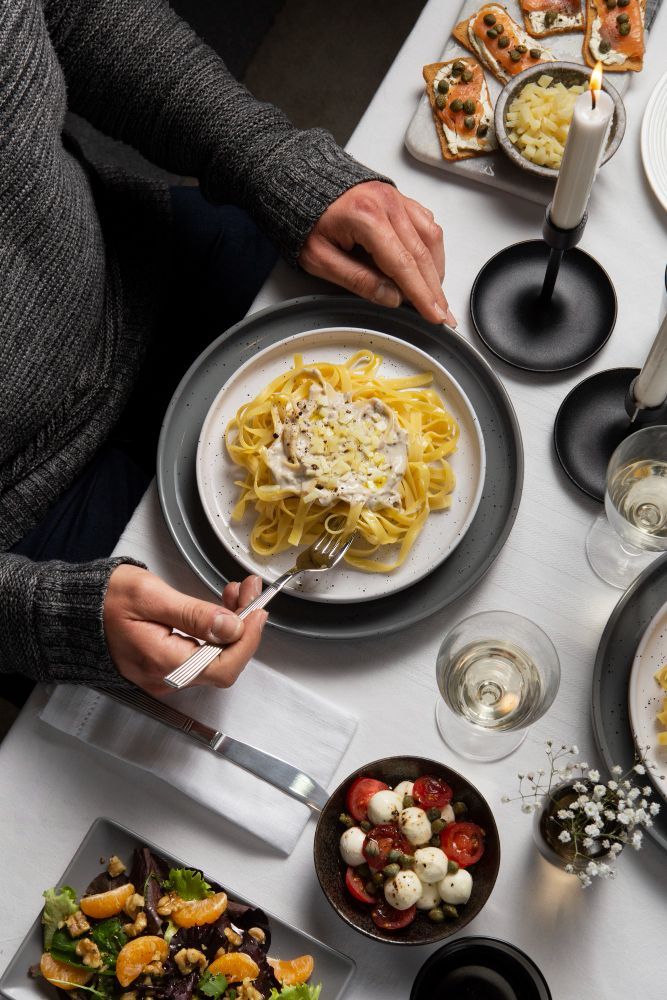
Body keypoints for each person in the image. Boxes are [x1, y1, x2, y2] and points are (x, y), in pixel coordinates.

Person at [0, 0, 453, 700]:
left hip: (139, 260)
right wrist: (32, 616)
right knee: (288, 687)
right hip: (29, 519)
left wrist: (262, 155)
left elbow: (65, 11)